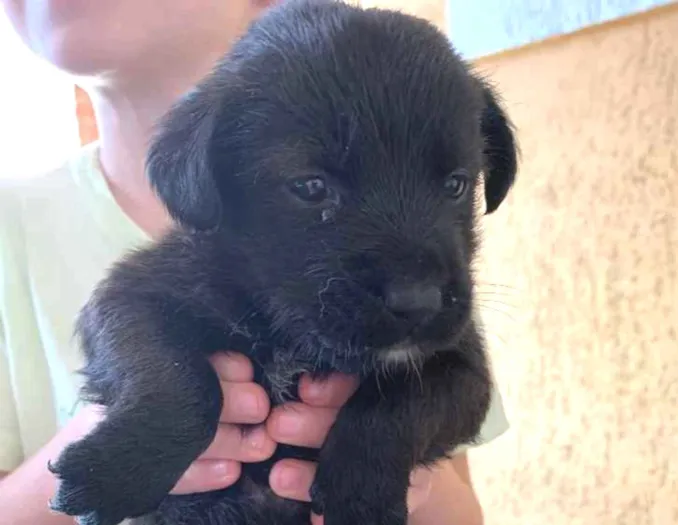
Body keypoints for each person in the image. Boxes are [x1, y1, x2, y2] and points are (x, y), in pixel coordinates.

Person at [0, 1, 510, 524]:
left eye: (453, 186)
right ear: (208, 174)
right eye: (313, 188)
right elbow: (125, 311)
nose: (414, 289)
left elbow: (459, 391)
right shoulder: (27, 235)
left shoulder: (428, 316)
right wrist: (159, 411)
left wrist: (386, 452)